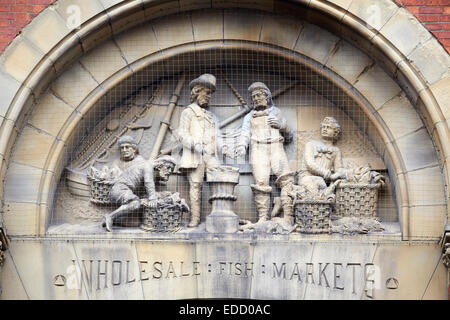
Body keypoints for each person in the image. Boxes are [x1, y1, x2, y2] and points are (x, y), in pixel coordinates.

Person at [236, 82, 295, 224]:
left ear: (267, 97)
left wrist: (281, 125)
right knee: (260, 183)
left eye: (258, 95)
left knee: (286, 179)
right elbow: (244, 133)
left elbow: (289, 135)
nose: (256, 99)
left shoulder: (276, 112)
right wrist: (242, 146)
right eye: (253, 96)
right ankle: (263, 217)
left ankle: (288, 215)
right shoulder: (249, 116)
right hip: (258, 150)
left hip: (276, 147)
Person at [178, 74, 220, 227]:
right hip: (195, 156)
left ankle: (218, 216)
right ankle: (195, 218)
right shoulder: (188, 112)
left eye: (210, 94)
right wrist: (196, 145)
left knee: (219, 181)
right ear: (197, 91)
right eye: (207, 93)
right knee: (196, 186)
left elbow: (216, 136)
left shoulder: (210, 116)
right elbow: (182, 133)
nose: (209, 97)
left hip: (210, 155)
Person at [103, 135, 157, 232]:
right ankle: (110, 217)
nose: (124, 150)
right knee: (135, 203)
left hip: (122, 190)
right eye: (122, 148)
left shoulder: (144, 163)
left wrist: (152, 197)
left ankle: (112, 220)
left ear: (134, 149)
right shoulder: (119, 163)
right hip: (120, 189)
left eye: (127, 147)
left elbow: (148, 182)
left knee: (134, 223)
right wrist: (152, 198)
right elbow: (149, 182)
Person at [298, 117, 346, 195]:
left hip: (322, 181)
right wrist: (326, 173)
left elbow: (339, 169)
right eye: (323, 127)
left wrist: (347, 173)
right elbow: (310, 164)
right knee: (317, 186)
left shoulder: (336, 150)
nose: (325, 129)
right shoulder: (311, 144)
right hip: (307, 177)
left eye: (328, 127)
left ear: (335, 132)